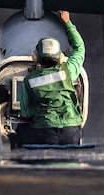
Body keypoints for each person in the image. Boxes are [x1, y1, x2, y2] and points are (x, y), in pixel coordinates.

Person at [14, 10, 86, 147]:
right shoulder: (69, 71)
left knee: (19, 133)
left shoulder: (29, 80)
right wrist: (67, 22)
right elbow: (79, 48)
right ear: (59, 56)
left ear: (37, 57)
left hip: (44, 133)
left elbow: (25, 112)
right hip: (71, 133)